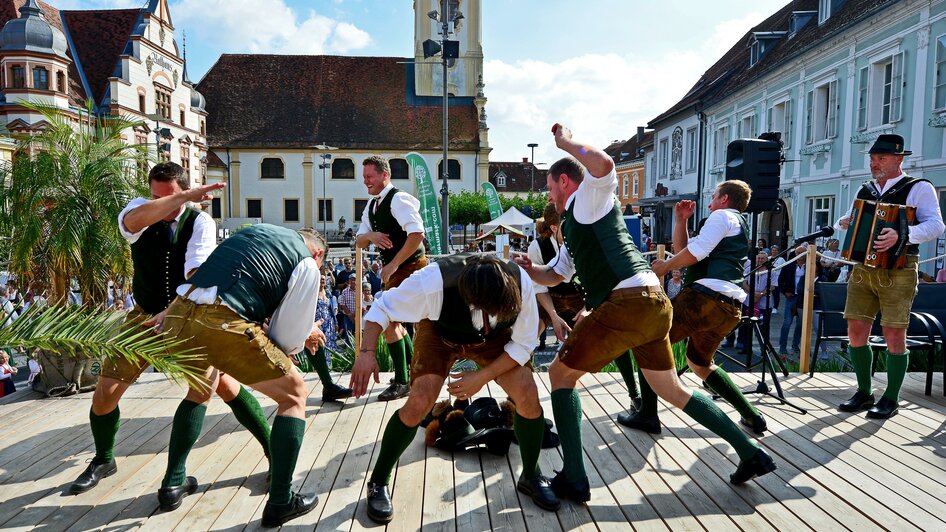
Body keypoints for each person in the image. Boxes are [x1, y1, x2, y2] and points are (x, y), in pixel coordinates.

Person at [515, 124, 774, 503]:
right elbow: (555, 274)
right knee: (671, 389)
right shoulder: (574, 224)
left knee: (560, 375)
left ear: (565, 182)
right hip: (653, 303)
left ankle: (574, 476)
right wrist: (528, 268)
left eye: (550, 187)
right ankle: (750, 452)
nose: (548, 195)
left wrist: (565, 141)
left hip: (628, 301)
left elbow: (603, 164)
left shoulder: (588, 197)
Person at [68, 164, 273, 505]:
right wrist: (179, 198)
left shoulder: (201, 222)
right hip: (144, 315)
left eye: (172, 195)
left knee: (214, 386)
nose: (163, 203)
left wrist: (176, 308)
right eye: (157, 195)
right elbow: (132, 224)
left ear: (187, 192)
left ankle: (179, 475)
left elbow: (197, 270)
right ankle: (104, 458)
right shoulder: (138, 209)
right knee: (105, 393)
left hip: (189, 314)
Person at [350, 254, 559, 523]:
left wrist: (481, 377)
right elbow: (381, 309)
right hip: (441, 333)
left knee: (528, 394)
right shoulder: (431, 283)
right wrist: (367, 352)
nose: (494, 314)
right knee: (421, 400)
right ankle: (378, 480)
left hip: (492, 339)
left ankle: (530, 474)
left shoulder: (522, 283)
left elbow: (522, 345)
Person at [158, 224, 328, 527]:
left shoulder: (251, 233)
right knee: (294, 393)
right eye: (321, 264)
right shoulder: (306, 262)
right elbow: (286, 338)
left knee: (202, 387)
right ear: (317, 252)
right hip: (221, 323)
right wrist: (306, 332)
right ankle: (280, 502)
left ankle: (172, 484)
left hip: (179, 315)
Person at [627, 180, 767, 436]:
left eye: (714, 196)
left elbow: (696, 252)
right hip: (728, 308)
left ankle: (648, 414)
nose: (710, 201)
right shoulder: (737, 222)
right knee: (699, 362)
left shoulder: (720, 216)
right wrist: (681, 220)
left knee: (649, 342)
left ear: (724, 199)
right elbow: (686, 251)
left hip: (704, 299)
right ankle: (751, 416)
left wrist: (665, 268)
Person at [835, 134, 945, 419]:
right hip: (862, 269)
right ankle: (864, 392)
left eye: (881, 158)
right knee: (856, 330)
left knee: (895, 333)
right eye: (872, 158)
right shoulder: (866, 189)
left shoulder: (918, 188)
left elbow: (936, 225)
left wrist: (903, 234)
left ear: (899, 159)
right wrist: (843, 222)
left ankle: (891, 398)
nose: (874, 163)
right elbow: (845, 218)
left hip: (900, 268)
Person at [356, 156, 427, 401]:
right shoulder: (372, 206)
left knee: (389, 322)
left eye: (370, 176)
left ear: (384, 175)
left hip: (410, 269)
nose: (366, 181)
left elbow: (417, 234)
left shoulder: (398, 199)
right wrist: (373, 235)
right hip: (395, 271)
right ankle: (407, 373)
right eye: (364, 177)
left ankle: (402, 380)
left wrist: (394, 264)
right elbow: (358, 241)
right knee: (393, 321)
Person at [299, 276, 351, 402]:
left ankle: (328, 383)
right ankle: (327, 385)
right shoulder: (310, 292)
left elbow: (331, 309)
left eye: (323, 279)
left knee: (326, 347)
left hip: (326, 323)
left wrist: (334, 322)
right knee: (314, 345)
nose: (322, 281)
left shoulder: (327, 293)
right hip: (313, 323)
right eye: (320, 279)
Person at [777, 245, 808, 356]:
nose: (800, 255)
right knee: (787, 322)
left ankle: (795, 345)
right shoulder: (789, 265)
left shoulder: (810, 265)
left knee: (800, 324)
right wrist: (785, 292)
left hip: (803, 298)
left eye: (802, 253)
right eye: (797, 253)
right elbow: (780, 280)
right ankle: (782, 346)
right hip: (791, 297)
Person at [338, 276, 358, 342]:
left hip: (358, 316)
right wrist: (350, 315)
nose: (353, 281)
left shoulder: (360, 290)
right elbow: (342, 304)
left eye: (354, 280)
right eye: (351, 280)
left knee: (358, 334)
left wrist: (354, 314)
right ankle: (349, 350)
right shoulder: (344, 291)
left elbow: (362, 303)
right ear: (349, 281)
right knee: (349, 335)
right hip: (347, 316)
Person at [768, 245, 784, 313]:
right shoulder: (768, 258)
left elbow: (784, 268)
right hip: (768, 278)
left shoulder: (781, 259)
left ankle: (775, 307)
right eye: (773, 250)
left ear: (778, 251)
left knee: (776, 293)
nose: (774, 252)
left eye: (775, 250)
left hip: (777, 278)